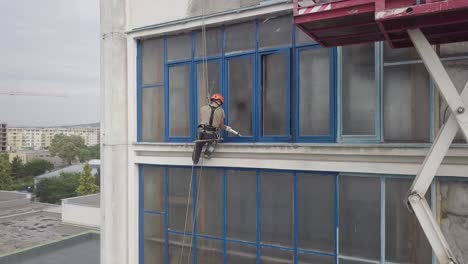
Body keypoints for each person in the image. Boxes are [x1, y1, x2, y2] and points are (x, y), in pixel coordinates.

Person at [192, 93, 240, 164]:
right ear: (219, 101)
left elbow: (205, 119)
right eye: (220, 102)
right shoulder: (221, 111)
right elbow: (221, 126)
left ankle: (195, 160)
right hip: (211, 135)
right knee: (216, 139)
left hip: (201, 134)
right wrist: (227, 128)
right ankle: (207, 153)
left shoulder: (203, 108)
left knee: (198, 145)